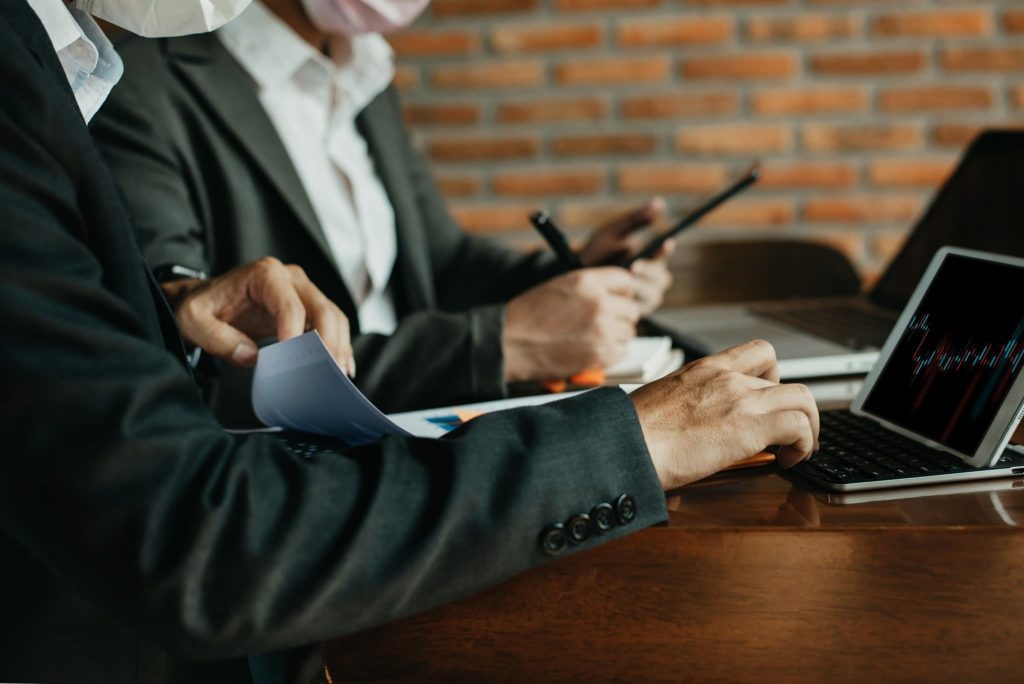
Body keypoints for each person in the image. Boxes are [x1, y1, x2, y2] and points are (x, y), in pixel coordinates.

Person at [0, 0, 819, 682]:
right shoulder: (100, 70)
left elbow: (436, 255)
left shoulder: (357, 72)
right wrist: (626, 433)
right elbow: (190, 529)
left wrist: (172, 304)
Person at [90, 0, 676, 418]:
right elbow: (191, 354)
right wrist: (495, 345)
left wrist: (574, 274)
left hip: (431, 434)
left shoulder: (366, 70)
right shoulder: (137, 84)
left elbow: (440, 261)